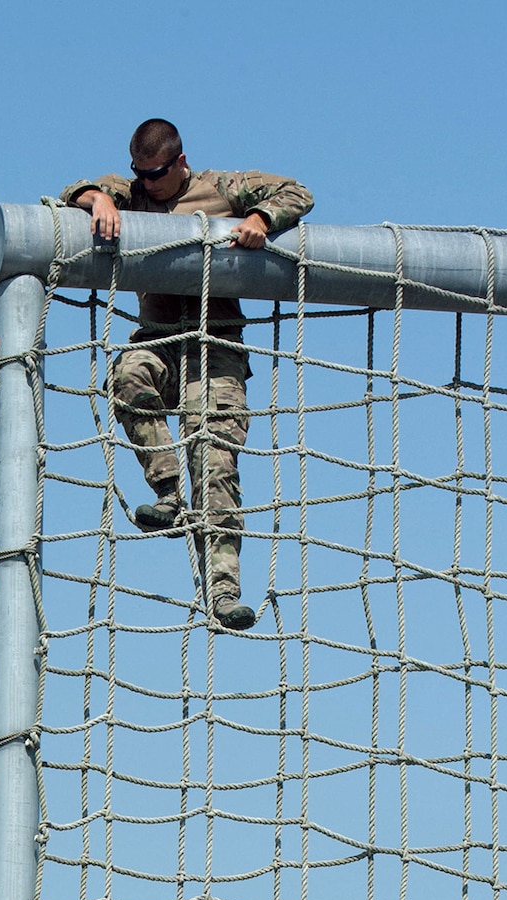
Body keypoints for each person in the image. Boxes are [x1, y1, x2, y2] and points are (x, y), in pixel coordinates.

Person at [62, 119, 313, 630]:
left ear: (179, 163)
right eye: (140, 173)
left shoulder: (220, 189)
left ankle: (223, 591)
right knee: (128, 377)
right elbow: (73, 191)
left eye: (156, 174)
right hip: (158, 339)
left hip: (213, 347)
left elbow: (298, 192)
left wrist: (263, 217)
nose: (147, 182)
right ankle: (169, 491)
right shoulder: (132, 193)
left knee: (215, 462)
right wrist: (98, 200)